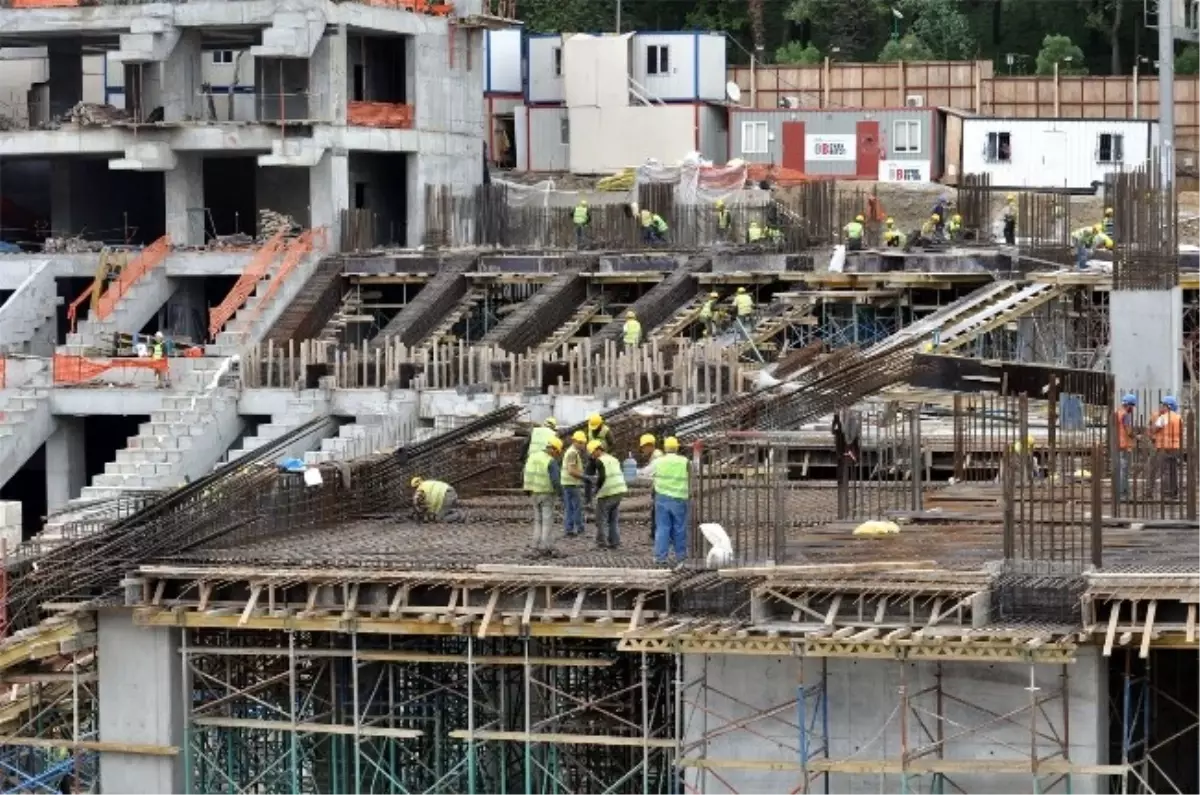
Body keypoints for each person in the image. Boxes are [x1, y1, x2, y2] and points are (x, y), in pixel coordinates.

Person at [653, 436, 690, 566]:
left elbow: (645, 474)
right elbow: (693, 474)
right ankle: (681, 557)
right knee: (679, 528)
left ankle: (660, 558)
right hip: (680, 498)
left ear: (665, 448)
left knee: (663, 528)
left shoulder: (658, 461)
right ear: (677, 447)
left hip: (662, 498)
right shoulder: (684, 461)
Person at [524, 435, 562, 558]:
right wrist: (561, 495)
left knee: (537, 522)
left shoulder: (533, 457)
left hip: (534, 493)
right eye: (557, 452)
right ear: (553, 449)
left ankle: (534, 546)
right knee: (547, 522)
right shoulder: (550, 461)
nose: (557, 455)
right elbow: (556, 481)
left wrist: (527, 489)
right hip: (547, 493)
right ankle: (545, 547)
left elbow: (526, 473)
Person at [588, 439, 627, 550]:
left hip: (608, 492)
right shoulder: (613, 459)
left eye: (592, 453)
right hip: (619, 490)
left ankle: (601, 543)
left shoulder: (600, 461)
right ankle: (614, 542)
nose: (592, 456)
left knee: (601, 519)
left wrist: (596, 490)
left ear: (597, 450)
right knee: (613, 518)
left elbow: (602, 477)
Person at [1152, 396, 1182, 499]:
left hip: (1165, 447)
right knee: (1173, 470)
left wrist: (1156, 420)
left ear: (1168, 406)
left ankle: (1167, 492)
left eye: (1163, 405)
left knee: (1165, 471)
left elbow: (1154, 430)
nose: (1162, 407)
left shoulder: (1163, 417)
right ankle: (1174, 492)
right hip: (1175, 447)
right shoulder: (1178, 417)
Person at [561, 431, 588, 537]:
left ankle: (569, 529)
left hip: (567, 483)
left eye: (584, 443)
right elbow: (571, 471)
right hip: (570, 483)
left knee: (570, 507)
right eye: (581, 443)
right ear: (576, 442)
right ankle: (579, 528)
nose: (583, 445)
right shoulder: (572, 453)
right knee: (577, 507)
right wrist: (584, 477)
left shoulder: (571, 451)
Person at [638, 433, 663, 541]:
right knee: (655, 512)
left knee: (657, 512)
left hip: (660, 487)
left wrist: (636, 472)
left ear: (649, 445)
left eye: (643, 447)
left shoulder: (657, 456)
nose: (642, 450)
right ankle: (654, 533)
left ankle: (656, 534)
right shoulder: (655, 455)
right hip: (658, 486)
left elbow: (649, 471)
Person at [1115, 393, 1137, 500]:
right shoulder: (1125, 415)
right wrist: (1136, 436)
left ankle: (1121, 491)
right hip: (1125, 445)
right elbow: (1128, 431)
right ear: (1129, 405)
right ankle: (1123, 493)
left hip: (1117, 444)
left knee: (1120, 469)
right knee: (1124, 470)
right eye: (1132, 406)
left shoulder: (1117, 413)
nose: (1133, 409)